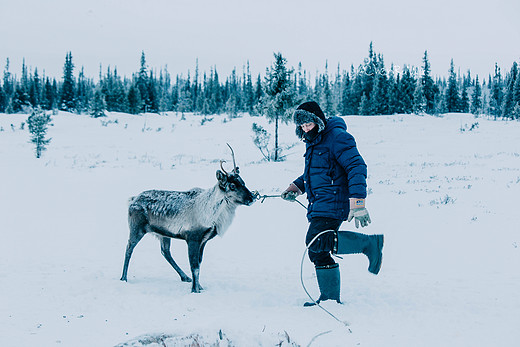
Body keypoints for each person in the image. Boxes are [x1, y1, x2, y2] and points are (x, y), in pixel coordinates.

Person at [281, 101, 384, 306]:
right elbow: (315, 173)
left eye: (308, 124)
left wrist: (358, 202)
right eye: (301, 126)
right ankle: (329, 298)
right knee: (316, 249)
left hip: (334, 201)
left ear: (318, 120)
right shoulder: (313, 142)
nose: (305, 129)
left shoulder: (337, 138)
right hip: (320, 203)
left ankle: (369, 244)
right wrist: (296, 187)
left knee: (316, 240)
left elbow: (356, 167)